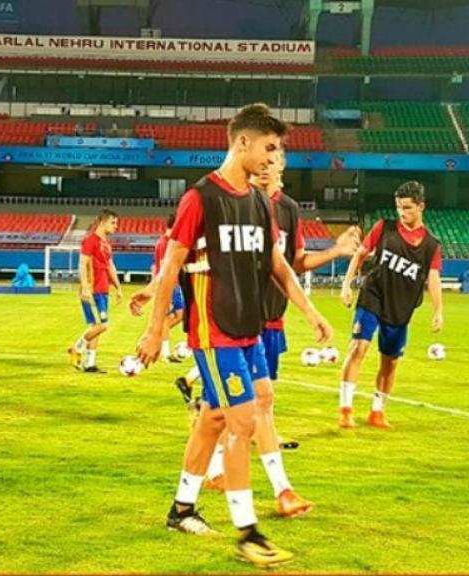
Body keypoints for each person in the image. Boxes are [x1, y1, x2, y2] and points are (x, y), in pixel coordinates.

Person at [131, 103, 332, 567]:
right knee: (242, 422)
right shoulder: (200, 199)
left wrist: (310, 311)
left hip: (250, 331)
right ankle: (248, 533)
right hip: (213, 333)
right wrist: (155, 329)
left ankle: (182, 508)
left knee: (224, 415)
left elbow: (278, 266)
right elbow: (170, 268)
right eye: (268, 147)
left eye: (276, 150)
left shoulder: (262, 203)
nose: (272, 157)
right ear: (242, 142)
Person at [198, 148, 361, 517]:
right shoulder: (229, 203)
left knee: (241, 405)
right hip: (230, 323)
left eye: (275, 160)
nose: (268, 166)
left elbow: (293, 263)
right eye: (263, 158)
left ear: (283, 166)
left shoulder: (286, 209)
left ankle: (215, 474)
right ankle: (270, 489)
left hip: (269, 321)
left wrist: (334, 253)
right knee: (247, 404)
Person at [338, 181, 444, 429]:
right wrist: (347, 284)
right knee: (359, 348)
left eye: (407, 208)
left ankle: (377, 411)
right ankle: (345, 409)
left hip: (401, 307)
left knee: (390, 361)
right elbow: (361, 253)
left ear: (421, 207)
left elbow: (433, 278)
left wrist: (438, 310)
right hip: (372, 295)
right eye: (398, 207)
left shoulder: (431, 246)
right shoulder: (384, 228)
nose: (402, 213)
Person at [69, 209, 122, 373]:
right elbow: (82, 264)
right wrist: (85, 287)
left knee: (95, 327)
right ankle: (77, 348)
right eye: (113, 222)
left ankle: (90, 363)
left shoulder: (106, 243)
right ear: (102, 222)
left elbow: (110, 266)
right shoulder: (90, 240)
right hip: (92, 290)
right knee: (103, 325)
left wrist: (118, 287)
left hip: (103, 289)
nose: (116, 226)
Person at [152, 213, 187, 363]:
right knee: (167, 318)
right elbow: (164, 266)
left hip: (176, 284)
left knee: (180, 315)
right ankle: (165, 353)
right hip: (170, 285)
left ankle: (160, 334)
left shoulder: (168, 241)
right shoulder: (166, 242)